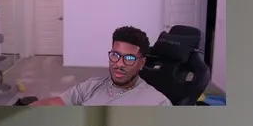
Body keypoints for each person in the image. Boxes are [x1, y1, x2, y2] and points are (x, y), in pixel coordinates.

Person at [30, 26, 171, 106]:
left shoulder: (157, 102)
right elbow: (57, 102)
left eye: (129, 58)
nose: (119, 64)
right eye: (115, 55)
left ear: (141, 63)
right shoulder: (91, 86)